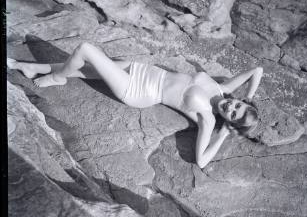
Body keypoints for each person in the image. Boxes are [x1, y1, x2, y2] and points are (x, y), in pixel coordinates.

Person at [7, 42, 263, 168]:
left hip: (139, 90)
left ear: (230, 121)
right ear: (239, 99)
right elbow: (258, 70)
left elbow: (202, 161)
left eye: (232, 114)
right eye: (237, 105)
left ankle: (56, 77)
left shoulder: (207, 118)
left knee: (85, 50)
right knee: (84, 69)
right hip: (139, 69)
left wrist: (223, 135)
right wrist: (251, 96)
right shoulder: (223, 88)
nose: (230, 108)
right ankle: (27, 67)